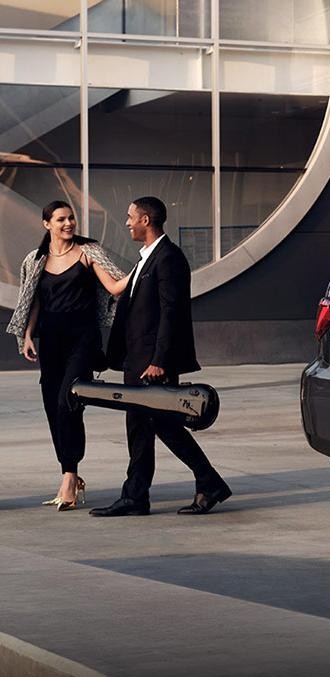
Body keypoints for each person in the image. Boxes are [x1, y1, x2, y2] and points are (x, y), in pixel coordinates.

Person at [90, 197, 232, 517]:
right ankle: (136, 496)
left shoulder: (169, 258)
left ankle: (207, 483)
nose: (126, 222)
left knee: (164, 425)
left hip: (152, 361)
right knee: (140, 426)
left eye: (130, 217)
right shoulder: (145, 258)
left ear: (145, 220)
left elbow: (172, 314)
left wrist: (160, 360)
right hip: (136, 357)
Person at [5, 201, 129, 510]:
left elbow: (114, 287)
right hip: (50, 340)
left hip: (83, 340)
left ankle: (70, 477)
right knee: (52, 405)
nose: (68, 223)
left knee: (67, 401)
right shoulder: (36, 259)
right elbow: (33, 299)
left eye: (71, 217)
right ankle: (68, 470)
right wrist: (28, 334)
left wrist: (143, 266)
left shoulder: (88, 253)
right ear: (46, 223)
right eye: (61, 219)